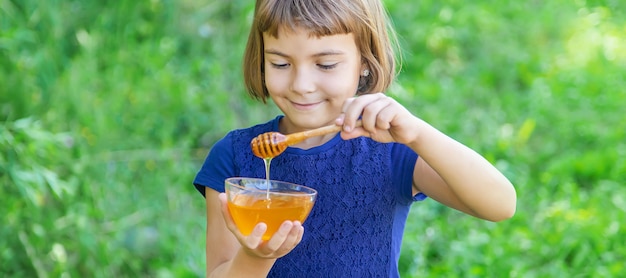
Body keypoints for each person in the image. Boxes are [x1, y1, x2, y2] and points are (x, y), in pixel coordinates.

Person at [193, 0, 517, 277]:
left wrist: (418, 134)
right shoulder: (234, 157)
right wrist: (256, 256)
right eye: (280, 63)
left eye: (326, 64)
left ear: (364, 62)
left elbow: (499, 204)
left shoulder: (390, 150)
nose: (301, 84)